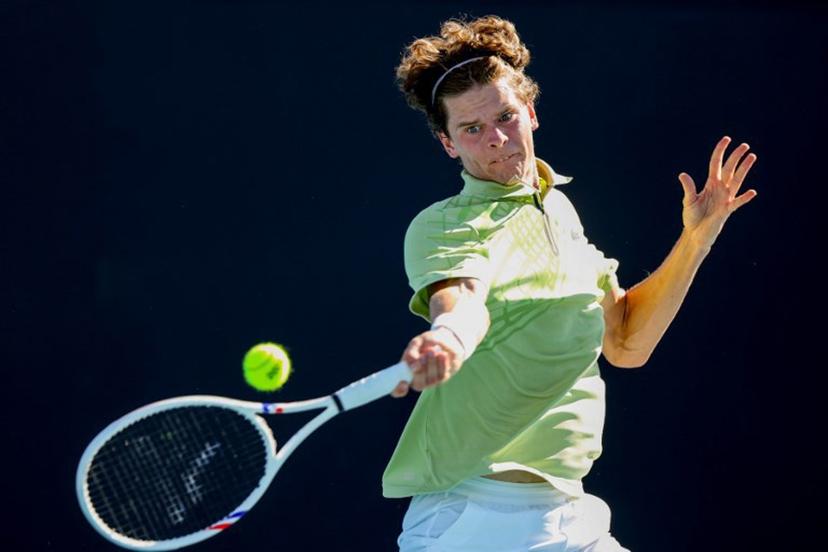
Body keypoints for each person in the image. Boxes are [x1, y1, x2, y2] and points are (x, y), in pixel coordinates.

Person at [382, 15, 757, 552]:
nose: (496, 139)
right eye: (472, 129)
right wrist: (448, 336)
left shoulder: (559, 210)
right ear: (448, 144)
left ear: (531, 113)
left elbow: (626, 342)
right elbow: (462, 300)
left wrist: (696, 239)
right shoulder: (443, 225)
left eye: (506, 117)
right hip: (470, 518)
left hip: (566, 513)